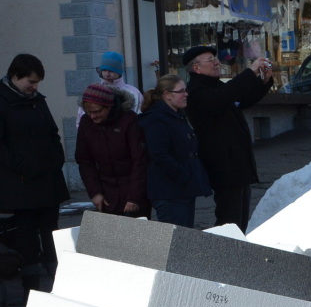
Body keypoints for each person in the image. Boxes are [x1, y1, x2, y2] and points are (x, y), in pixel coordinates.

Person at [0, 54, 70, 294]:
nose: (35, 87)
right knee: (26, 232)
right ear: (15, 77)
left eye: (37, 82)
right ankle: (31, 287)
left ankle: (58, 277)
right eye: (31, 82)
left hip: (47, 176)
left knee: (51, 227)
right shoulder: (3, 101)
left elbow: (52, 131)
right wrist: (22, 166)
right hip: (21, 181)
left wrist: (57, 156)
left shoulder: (37, 100)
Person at [183, 45, 271, 231]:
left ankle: (237, 251)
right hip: (223, 165)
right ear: (196, 68)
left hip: (238, 163)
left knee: (240, 218)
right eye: (210, 60)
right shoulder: (196, 91)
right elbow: (223, 97)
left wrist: (264, 81)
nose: (216, 62)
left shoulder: (216, 86)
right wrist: (250, 71)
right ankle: (224, 254)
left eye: (215, 59)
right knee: (228, 219)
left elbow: (242, 99)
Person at [139, 75, 211, 228]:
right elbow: (159, 155)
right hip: (169, 191)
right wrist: (183, 175)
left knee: (184, 238)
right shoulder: (157, 119)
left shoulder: (177, 115)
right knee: (176, 240)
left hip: (183, 189)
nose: (186, 94)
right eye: (181, 91)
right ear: (167, 95)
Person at [75, 83, 150, 218]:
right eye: (88, 111)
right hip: (106, 192)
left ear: (109, 107)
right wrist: (95, 192)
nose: (92, 116)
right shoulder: (86, 123)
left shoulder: (129, 119)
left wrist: (134, 197)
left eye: (97, 111)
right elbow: (84, 160)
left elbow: (140, 160)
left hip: (132, 188)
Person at [76, 51, 142, 123]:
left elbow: (138, 118)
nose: (107, 74)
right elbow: (81, 118)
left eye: (111, 71)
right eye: (104, 70)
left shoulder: (133, 93)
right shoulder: (93, 92)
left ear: (119, 72)